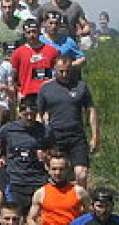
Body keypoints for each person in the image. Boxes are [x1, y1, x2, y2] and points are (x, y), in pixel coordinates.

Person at [37, 54, 99, 187]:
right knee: (58, 174)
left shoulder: (81, 86)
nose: (64, 74)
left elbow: (91, 110)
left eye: (68, 71)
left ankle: (81, 204)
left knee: (81, 173)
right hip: (55, 136)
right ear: (55, 69)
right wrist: (41, 141)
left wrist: (95, 136)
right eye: (61, 71)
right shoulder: (46, 88)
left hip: (76, 136)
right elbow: (39, 114)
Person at [0, 93, 49, 212]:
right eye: (26, 114)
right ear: (20, 113)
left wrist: (46, 156)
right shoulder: (9, 129)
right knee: (16, 218)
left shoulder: (45, 130)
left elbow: (56, 153)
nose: (29, 118)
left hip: (39, 181)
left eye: (32, 114)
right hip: (16, 181)